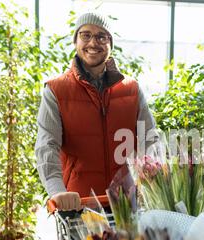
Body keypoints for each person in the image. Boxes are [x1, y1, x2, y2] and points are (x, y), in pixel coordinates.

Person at [35, 12, 158, 214]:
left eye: (102, 36)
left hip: (128, 202)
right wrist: (57, 191)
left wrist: (152, 180)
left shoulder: (132, 89)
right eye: (86, 35)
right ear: (75, 40)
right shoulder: (56, 91)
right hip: (79, 205)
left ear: (110, 43)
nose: (93, 42)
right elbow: (46, 146)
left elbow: (150, 139)